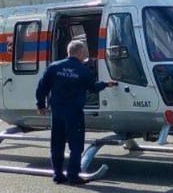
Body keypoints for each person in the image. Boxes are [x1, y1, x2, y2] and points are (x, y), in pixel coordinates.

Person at [36, 39, 117, 185]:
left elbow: (42, 87)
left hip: (57, 112)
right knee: (76, 145)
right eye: (84, 52)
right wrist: (107, 84)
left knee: (57, 143)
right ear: (80, 52)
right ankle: (73, 175)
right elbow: (93, 88)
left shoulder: (54, 67)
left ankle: (58, 175)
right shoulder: (83, 70)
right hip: (74, 112)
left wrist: (41, 104)